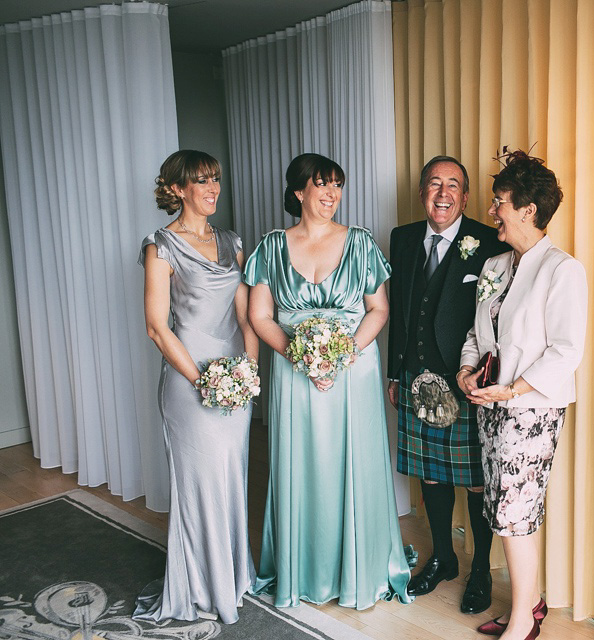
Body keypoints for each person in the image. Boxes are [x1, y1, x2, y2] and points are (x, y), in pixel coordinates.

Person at [244, 153, 412, 609]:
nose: (332, 194)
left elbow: (379, 310)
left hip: (353, 372)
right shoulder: (271, 247)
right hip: (294, 374)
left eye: (338, 185)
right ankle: (304, 569)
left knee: (351, 464)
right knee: (303, 467)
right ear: (299, 191)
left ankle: (362, 569)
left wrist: (340, 356)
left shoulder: (359, 243)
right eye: (322, 185)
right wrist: (301, 355)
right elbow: (260, 316)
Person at [457, 150, 587, 640]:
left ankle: (522, 622)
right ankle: (530, 605)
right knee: (508, 512)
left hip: (530, 411)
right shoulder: (494, 265)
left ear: (528, 211)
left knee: (514, 516)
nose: (493, 212)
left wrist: (511, 389)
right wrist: (468, 371)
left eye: (500, 203)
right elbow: (478, 335)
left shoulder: (562, 270)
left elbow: (565, 351)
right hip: (489, 408)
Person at [136, 150, 257, 624]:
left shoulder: (232, 241)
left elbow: (246, 315)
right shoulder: (160, 246)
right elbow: (156, 327)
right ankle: (202, 586)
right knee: (200, 483)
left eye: (215, 180)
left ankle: (230, 576)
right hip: (190, 382)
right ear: (178, 189)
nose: (212, 189)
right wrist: (202, 378)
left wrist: (247, 369)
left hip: (234, 380)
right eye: (202, 181)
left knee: (232, 476)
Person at [387, 156, 507, 614]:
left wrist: (485, 376)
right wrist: (397, 371)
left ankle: (479, 570)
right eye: (434, 184)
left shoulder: (487, 242)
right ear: (421, 192)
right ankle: (443, 558)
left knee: (476, 481)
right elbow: (399, 310)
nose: (443, 193)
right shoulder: (401, 238)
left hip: (467, 378)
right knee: (431, 473)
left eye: (452, 185)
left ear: (465, 195)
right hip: (417, 377)